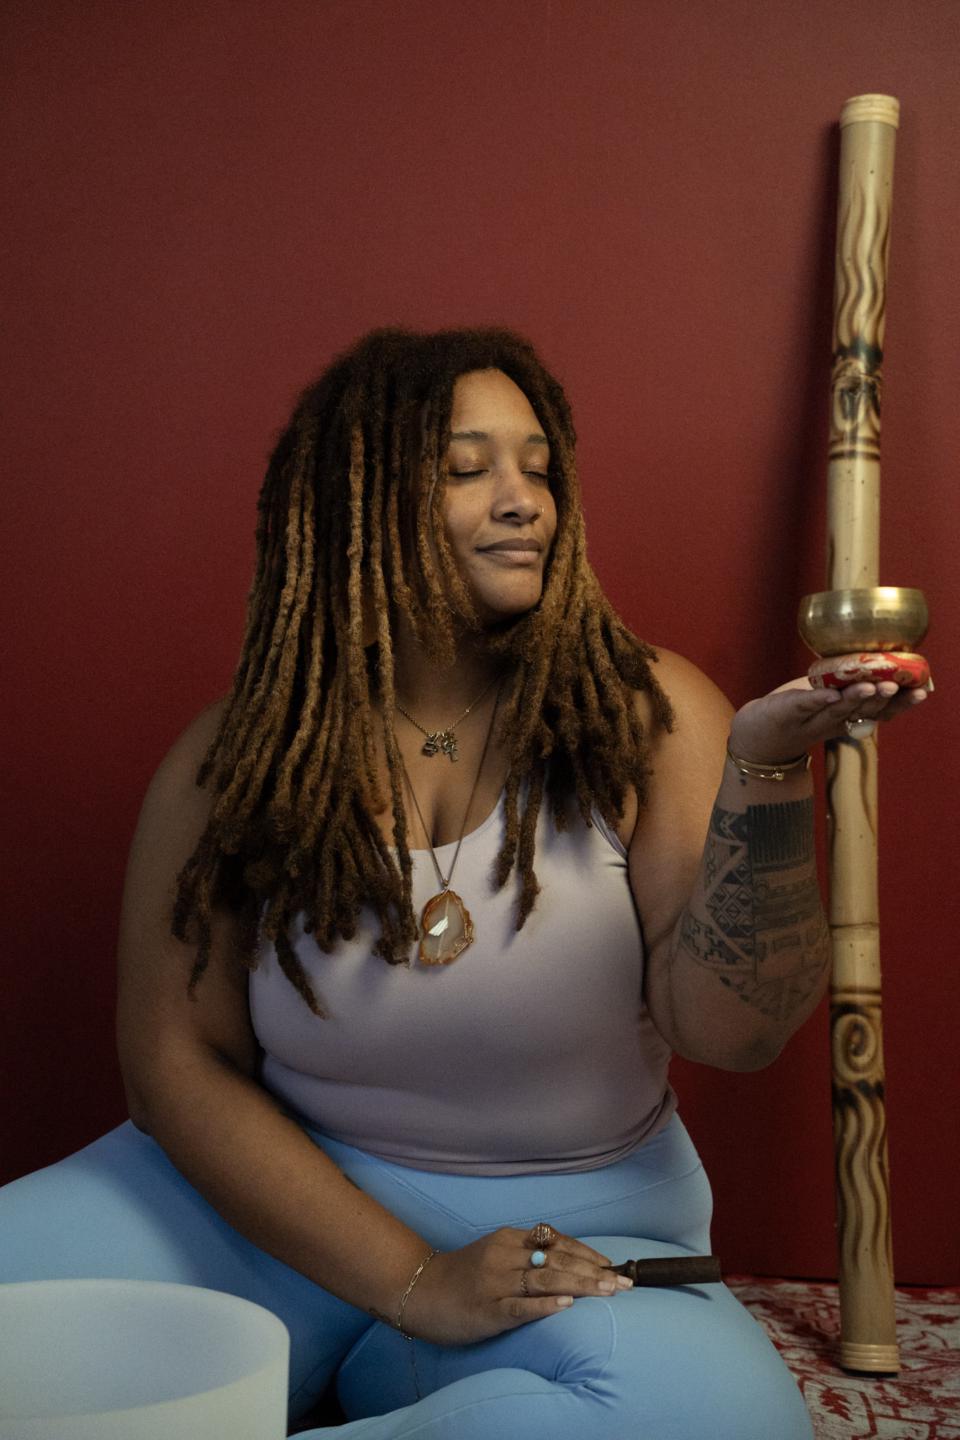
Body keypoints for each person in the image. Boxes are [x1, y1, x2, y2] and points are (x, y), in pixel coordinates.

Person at [0, 328, 928, 1437]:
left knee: (716, 1422)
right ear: (355, 506)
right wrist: (411, 1279)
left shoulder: (651, 713)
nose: (525, 500)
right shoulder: (242, 757)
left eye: (539, 467)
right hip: (277, 1207)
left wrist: (766, 774)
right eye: (466, 468)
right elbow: (174, 1067)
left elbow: (736, 1033)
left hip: (576, 1230)